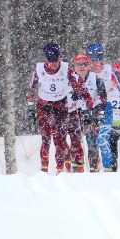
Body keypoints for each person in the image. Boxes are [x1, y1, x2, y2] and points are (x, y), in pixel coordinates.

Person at [27, 43, 89, 174]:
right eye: (50, 61)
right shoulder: (39, 69)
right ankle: (44, 170)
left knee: (59, 138)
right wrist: (30, 107)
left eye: (56, 61)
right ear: (46, 59)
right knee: (45, 138)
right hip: (44, 106)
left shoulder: (65, 68)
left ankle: (59, 170)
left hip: (60, 106)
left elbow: (77, 83)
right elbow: (32, 88)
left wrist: (81, 94)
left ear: (59, 58)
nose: (53, 65)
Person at [88, 44, 120, 171]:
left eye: (98, 58)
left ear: (102, 58)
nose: (96, 62)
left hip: (115, 111)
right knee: (107, 145)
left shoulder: (109, 70)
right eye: (93, 59)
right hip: (100, 111)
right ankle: (109, 171)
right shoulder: (88, 73)